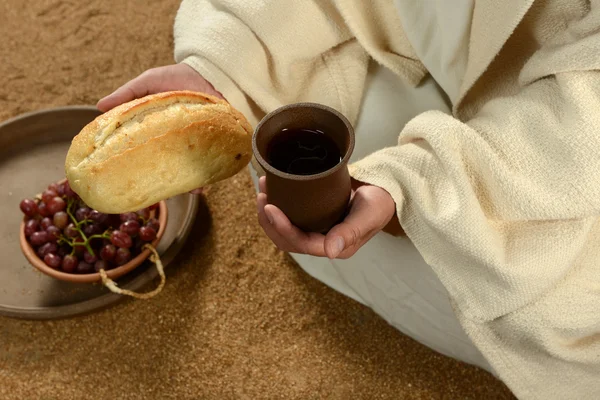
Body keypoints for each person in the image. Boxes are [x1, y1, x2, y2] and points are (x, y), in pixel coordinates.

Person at [97, 1, 600, 398]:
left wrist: (415, 187)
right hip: (446, 47)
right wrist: (226, 66)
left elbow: (581, 136)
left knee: (509, 288)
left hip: (565, 144)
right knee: (284, 115)